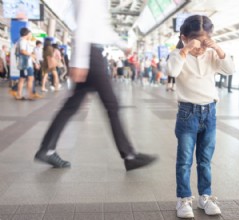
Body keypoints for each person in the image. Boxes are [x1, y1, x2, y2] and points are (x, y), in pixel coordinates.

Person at [34, 0, 157, 170]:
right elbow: (84, 25)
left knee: (71, 106)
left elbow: (100, 28)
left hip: (92, 54)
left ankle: (47, 148)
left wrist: (122, 45)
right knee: (111, 105)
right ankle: (129, 155)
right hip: (91, 56)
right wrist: (80, 61)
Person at [167, 15, 234, 218]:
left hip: (210, 113)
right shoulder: (177, 55)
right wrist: (186, 50)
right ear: (184, 37)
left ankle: (205, 196)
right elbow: (172, 71)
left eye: (205, 42)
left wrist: (217, 49)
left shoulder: (211, 55)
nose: (201, 48)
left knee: (205, 160)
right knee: (185, 160)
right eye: (197, 42)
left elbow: (229, 70)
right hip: (188, 113)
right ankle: (184, 199)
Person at [15, 28, 35, 100]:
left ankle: (19, 95)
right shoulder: (23, 41)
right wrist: (31, 55)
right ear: (26, 34)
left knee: (22, 78)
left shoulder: (21, 41)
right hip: (26, 64)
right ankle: (29, 95)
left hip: (24, 63)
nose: (31, 35)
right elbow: (23, 51)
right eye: (30, 34)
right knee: (30, 78)